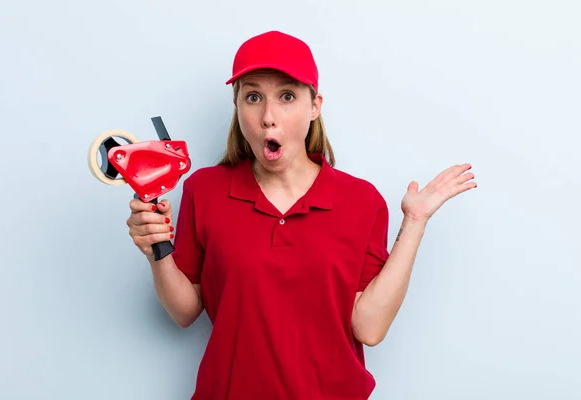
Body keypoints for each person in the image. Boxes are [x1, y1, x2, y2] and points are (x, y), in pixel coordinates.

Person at [126, 30, 477, 400]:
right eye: (253, 96)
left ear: (315, 106)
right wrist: (157, 250)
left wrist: (415, 223)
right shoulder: (205, 190)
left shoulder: (360, 201)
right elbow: (184, 312)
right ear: (238, 106)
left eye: (287, 96)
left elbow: (369, 327)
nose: (268, 117)